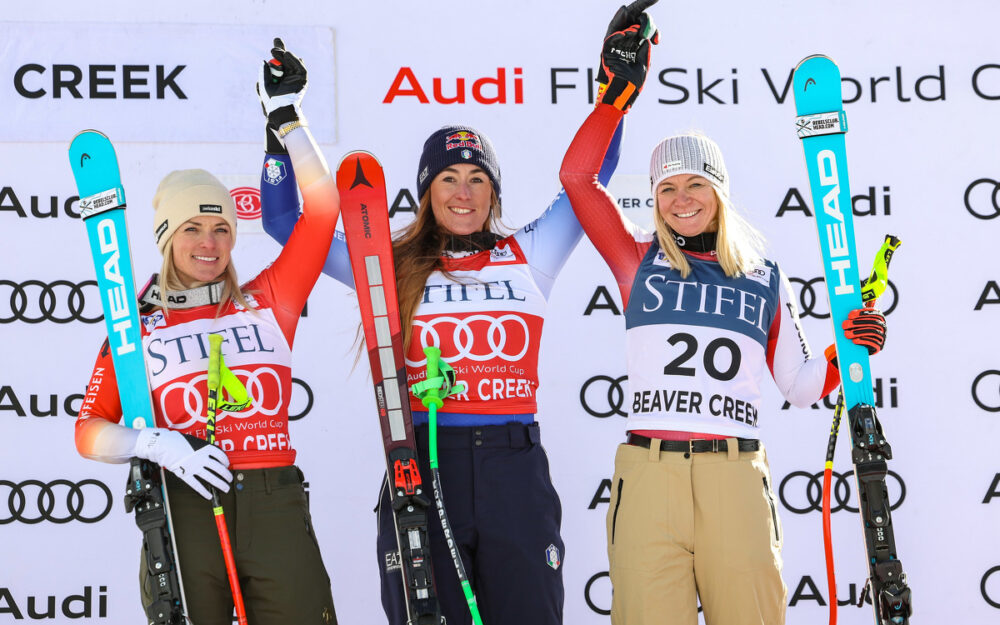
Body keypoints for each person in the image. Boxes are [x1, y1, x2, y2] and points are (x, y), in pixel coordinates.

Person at [258, 37, 630, 625]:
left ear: (494, 192)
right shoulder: (386, 264)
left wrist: (616, 96)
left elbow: (593, 176)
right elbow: (283, 221)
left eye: (477, 179)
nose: (463, 192)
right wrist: (281, 125)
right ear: (427, 190)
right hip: (425, 467)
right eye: (448, 178)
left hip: (515, 467)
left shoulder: (530, 253)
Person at [559, 12, 888, 625]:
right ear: (653, 200)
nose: (681, 199)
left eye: (696, 184)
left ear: (720, 192)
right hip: (649, 476)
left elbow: (799, 386)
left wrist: (851, 352)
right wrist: (615, 99)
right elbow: (577, 178)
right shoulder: (637, 261)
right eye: (666, 189)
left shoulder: (762, 276)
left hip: (735, 477)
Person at [75, 40, 340, 625]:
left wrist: (287, 119)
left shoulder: (268, 298)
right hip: (184, 503)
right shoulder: (134, 324)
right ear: (167, 236)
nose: (209, 243)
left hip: (274, 500)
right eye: (192, 227)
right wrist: (153, 444)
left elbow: (322, 209)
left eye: (222, 227)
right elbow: (88, 433)